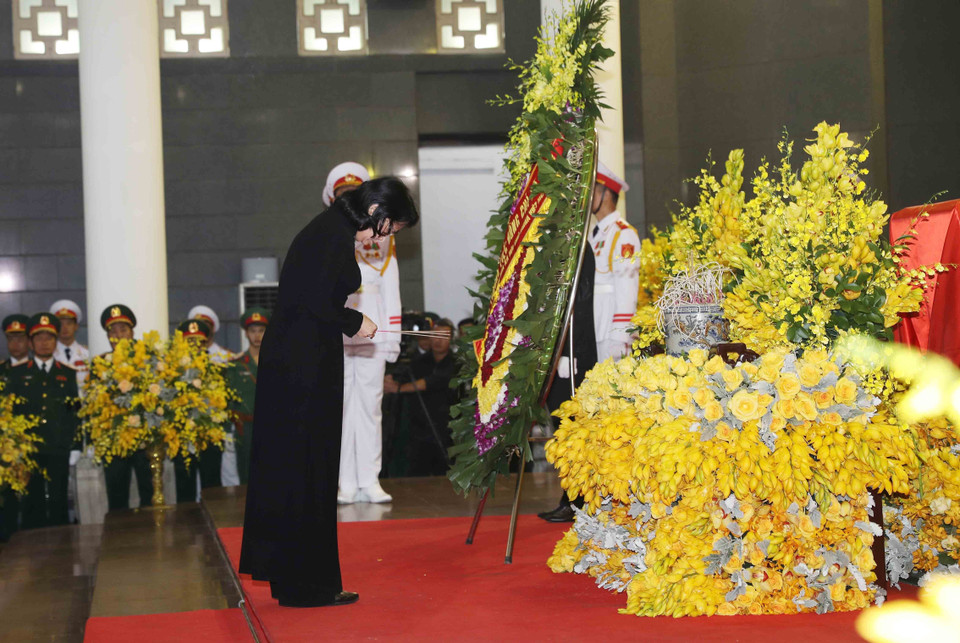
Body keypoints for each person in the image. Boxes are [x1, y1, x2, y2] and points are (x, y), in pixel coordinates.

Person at [240, 176, 419, 608]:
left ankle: (295, 580)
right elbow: (312, 302)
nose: (388, 237)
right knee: (310, 469)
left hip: (297, 362)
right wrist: (356, 322)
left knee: (298, 470)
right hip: (303, 369)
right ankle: (310, 586)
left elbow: (306, 299)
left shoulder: (327, 229)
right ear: (377, 213)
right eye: (391, 228)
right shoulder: (334, 237)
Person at [323, 162, 402, 505]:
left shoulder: (381, 237)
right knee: (337, 409)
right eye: (343, 196)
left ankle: (369, 479)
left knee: (370, 408)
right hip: (337, 334)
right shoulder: (327, 235)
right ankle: (343, 482)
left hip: (374, 333)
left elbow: (391, 287)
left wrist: (394, 338)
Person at [538, 249, 598, 523]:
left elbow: (581, 300)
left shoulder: (576, 242)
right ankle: (572, 496)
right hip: (556, 349)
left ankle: (577, 500)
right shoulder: (556, 239)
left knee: (572, 429)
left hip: (573, 350)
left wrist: (569, 351)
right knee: (560, 428)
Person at [6, 313, 79, 528]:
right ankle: (32, 548)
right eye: (39, 338)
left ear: (55, 342)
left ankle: (62, 548)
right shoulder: (17, 374)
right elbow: (10, 412)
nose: (44, 343)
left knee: (58, 498)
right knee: (31, 500)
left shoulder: (67, 374)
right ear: (31, 342)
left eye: (49, 338)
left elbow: (73, 410)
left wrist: (75, 445)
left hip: (58, 445)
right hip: (29, 447)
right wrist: (14, 445)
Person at [384, 318, 456, 477]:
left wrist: (399, 389)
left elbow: (431, 382)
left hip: (445, 429)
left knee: (444, 474)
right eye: (435, 336)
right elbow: (403, 376)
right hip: (419, 430)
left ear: (451, 340)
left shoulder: (455, 363)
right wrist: (389, 380)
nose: (438, 341)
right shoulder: (419, 362)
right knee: (416, 473)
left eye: (444, 336)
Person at [99, 304, 154, 511]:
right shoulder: (100, 364)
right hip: (114, 441)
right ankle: (116, 539)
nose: (118, 335)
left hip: (144, 440)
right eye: (112, 331)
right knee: (117, 497)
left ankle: (152, 537)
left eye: (123, 330)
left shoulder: (148, 360)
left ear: (131, 333)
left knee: (149, 495)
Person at [590, 162, 640, 362]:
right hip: (596, 322)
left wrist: (620, 336)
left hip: (611, 328)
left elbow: (628, 286)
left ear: (606, 193)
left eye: (592, 190)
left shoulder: (623, 234)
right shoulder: (596, 234)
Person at [172, 319, 223, 502]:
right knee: (185, 490)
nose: (194, 347)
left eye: (198, 342)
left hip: (209, 437)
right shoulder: (172, 374)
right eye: (190, 342)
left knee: (213, 490)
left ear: (205, 345)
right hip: (182, 439)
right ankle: (186, 528)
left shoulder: (217, 370)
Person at [188, 305, 239, 486]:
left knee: (222, 479)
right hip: (189, 429)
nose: (202, 331)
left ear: (213, 330)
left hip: (219, 430)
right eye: (197, 326)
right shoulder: (182, 359)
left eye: (205, 327)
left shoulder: (228, 357)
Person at [225, 308, 269, 485]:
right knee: (246, 475)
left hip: (272, 426)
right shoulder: (235, 365)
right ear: (246, 333)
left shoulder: (278, 362)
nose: (257, 336)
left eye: (261, 330)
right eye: (253, 331)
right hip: (246, 428)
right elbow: (229, 401)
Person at [1, 314, 30, 540]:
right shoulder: (2, 370)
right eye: (11, 339)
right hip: (6, 448)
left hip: (32, 444)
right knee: (7, 499)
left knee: (32, 499)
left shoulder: (37, 368)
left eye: (20, 338)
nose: (15, 344)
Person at [50, 299, 91, 391]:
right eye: (61, 324)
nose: (65, 328)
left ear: (76, 326)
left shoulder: (87, 354)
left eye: (69, 324)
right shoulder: (49, 355)